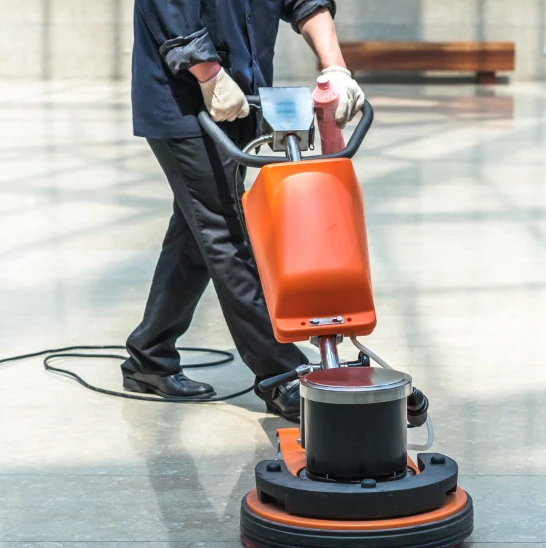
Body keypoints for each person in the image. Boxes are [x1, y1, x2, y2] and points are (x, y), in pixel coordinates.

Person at [123, 0, 365, 421]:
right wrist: (210, 74)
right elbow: (169, 9)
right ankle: (280, 373)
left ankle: (150, 354)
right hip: (184, 102)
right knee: (225, 231)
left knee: (198, 229)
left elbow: (303, 2)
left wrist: (335, 69)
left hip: (242, 95)